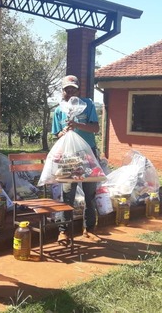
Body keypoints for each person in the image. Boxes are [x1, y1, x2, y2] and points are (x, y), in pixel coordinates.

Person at [51, 75, 103, 244]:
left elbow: (95, 128)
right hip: (69, 156)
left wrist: (77, 125)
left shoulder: (87, 104)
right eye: (67, 88)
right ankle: (64, 231)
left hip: (87, 154)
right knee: (68, 193)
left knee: (90, 193)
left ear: (78, 89)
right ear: (62, 90)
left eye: (73, 88)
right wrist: (63, 133)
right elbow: (56, 135)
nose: (70, 91)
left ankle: (89, 229)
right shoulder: (59, 110)